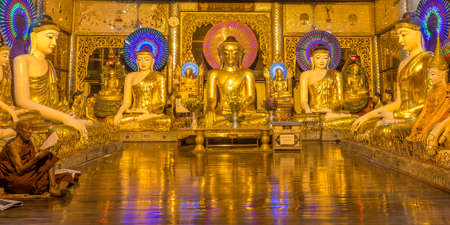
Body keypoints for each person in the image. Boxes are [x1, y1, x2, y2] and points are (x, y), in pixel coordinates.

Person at [13, 15, 92, 140]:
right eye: (50, 37)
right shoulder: (22, 60)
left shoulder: (49, 64)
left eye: (56, 38)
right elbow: (22, 101)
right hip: (33, 115)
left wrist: (66, 114)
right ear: (34, 37)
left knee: (91, 125)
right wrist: (64, 118)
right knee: (62, 133)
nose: (54, 43)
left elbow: (53, 101)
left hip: (50, 114)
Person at [0, 119, 77, 196]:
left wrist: (39, 154)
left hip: (28, 174)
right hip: (15, 179)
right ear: (19, 130)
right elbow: (19, 170)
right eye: (27, 129)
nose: (30, 131)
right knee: (46, 170)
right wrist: (37, 158)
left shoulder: (27, 142)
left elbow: (30, 159)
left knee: (65, 173)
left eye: (31, 129)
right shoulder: (12, 146)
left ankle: (55, 187)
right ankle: (52, 187)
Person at [204, 36, 266, 127]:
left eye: (234, 53)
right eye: (226, 53)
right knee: (205, 120)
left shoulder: (247, 73)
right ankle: (231, 122)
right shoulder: (214, 73)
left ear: (240, 55)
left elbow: (250, 97)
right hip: (222, 112)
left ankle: (230, 122)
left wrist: (237, 108)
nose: (230, 56)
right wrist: (209, 109)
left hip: (242, 112)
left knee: (265, 117)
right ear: (221, 55)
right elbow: (211, 98)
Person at [113, 46, 171, 131]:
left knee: (165, 121)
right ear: (136, 61)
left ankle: (140, 123)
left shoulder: (159, 77)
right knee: (114, 121)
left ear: (153, 61)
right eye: (140, 60)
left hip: (152, 115)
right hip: (134, 113)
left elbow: (162, 103)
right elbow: (126, 103)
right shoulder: (130, 76)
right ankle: (140, 123)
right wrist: (119, 113)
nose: (143, 63)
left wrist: (147, 112)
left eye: (147, 59)